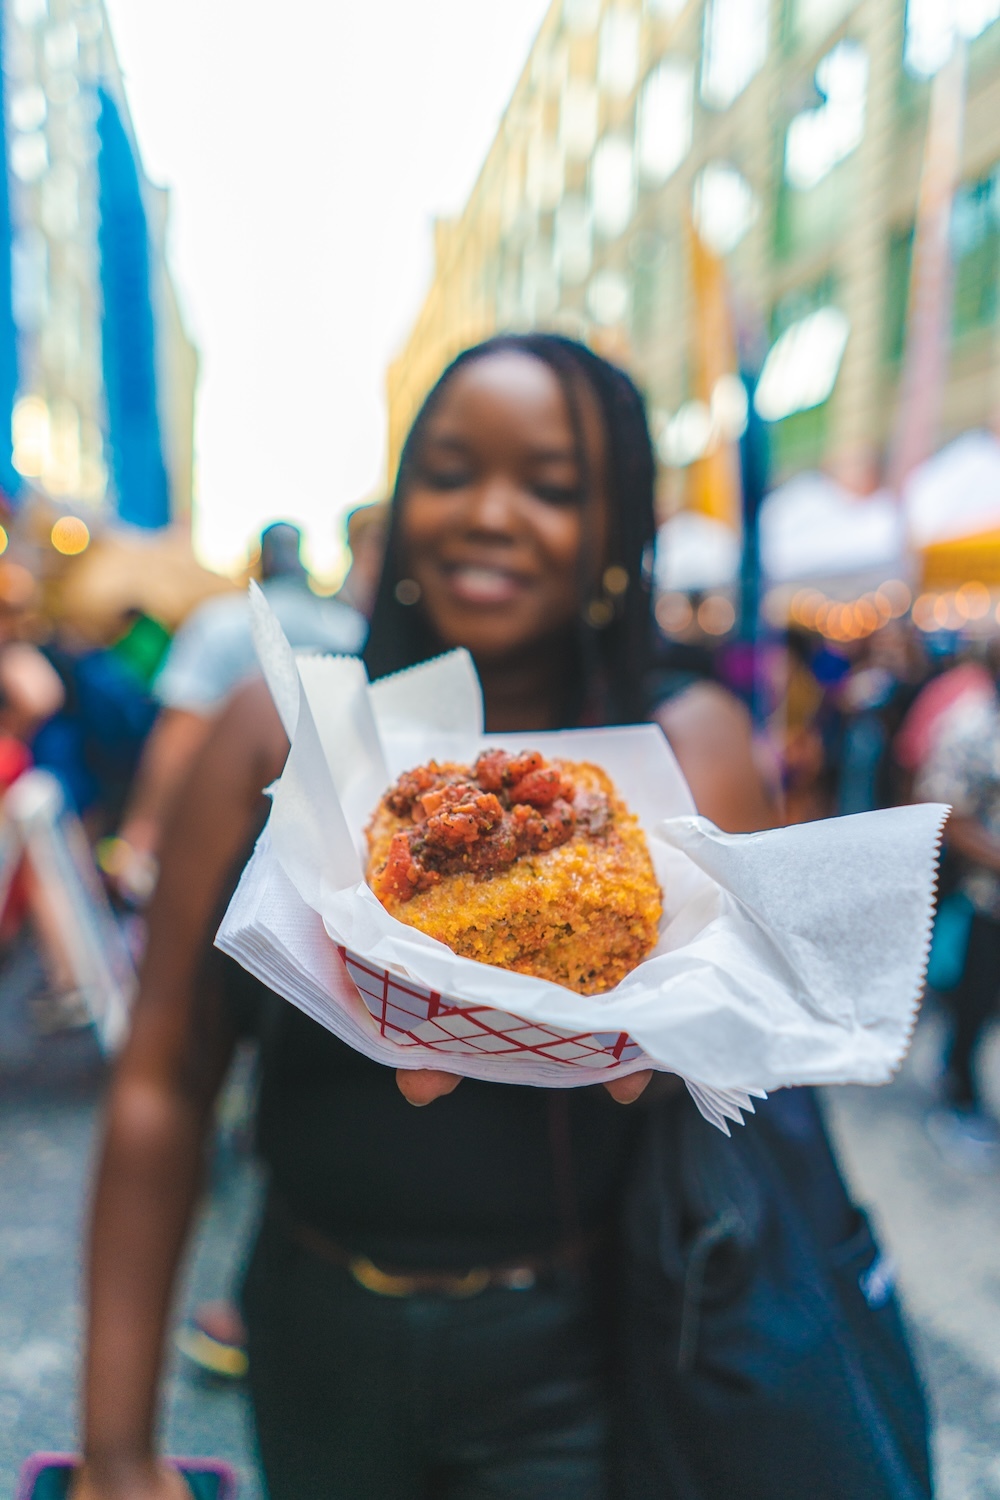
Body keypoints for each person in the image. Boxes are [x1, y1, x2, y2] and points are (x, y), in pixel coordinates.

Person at [77, 336, 843, 1500]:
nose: (490, 512)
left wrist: (676, 1027)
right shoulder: (276, 735)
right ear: (399, 504)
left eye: (550, 485)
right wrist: (116, 1447)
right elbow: (163, 1076)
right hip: (310, 1325)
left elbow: (751, 1079)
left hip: (583, 1346)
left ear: (614, 532)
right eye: (449, 470)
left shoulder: (687, 750)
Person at [112, 521, 367, 904]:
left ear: (260, 560)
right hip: (340, 851)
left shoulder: (219, 622)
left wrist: (143, 828)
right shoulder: (349, 628)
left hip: (224, 831)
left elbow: (180, 736)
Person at [917, 672, 1000, 1160]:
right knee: (972, 1006)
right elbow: (942, 810)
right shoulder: (972, 726)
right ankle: (958, 1096)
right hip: (984, 903)